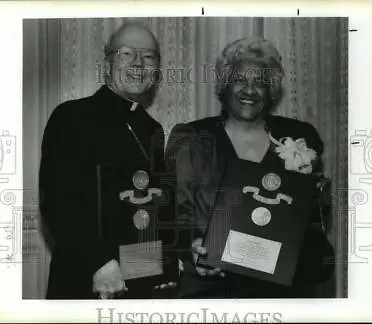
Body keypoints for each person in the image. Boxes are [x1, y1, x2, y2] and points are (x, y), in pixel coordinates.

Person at [166, 37, 335, 298]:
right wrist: (192, 245)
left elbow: (313, 217)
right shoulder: (192, 137)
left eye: (260, 82)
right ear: (225, 85)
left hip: (281, 290)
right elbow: (175, 211)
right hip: (211, 287)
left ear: (272, 91)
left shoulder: (300, 137)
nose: (250, 90)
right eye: (240, 80)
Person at [39, 22, 177, 299]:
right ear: (108, 63)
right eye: (127, 53)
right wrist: (99, 262)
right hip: (87, 278)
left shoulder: (152, 129)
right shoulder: (72, 116)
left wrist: (168, 263)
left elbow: (154, 204)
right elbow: (58, 203)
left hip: (140, 280)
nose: (139, 63)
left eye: (149, 56)